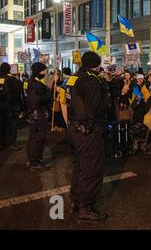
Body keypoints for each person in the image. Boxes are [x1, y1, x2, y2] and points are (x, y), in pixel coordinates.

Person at [66, 51, 109, 221]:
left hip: (73, 128)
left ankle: (76, 200)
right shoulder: (92, 80)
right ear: (96, 64)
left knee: (79, 166)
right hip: (88, 130)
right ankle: (86, 207)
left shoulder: (74, 78)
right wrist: (106, 95)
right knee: (92, 168)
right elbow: (96, 107)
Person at [26, 62, 52, 170]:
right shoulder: (35, 84)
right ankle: (35, 162)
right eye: (43, 71)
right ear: (38, 71)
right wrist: (49, 90)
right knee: (38, 138)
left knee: (34, 138)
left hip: (37, 114)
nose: (45, 73)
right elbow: (37, 100)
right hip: (38, 114)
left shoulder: (33, 82)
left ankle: (34, 159)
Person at [0, 63, 24, 150]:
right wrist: (22, 107)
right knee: (12, 126)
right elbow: (18, 93)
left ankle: (3, 143)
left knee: (1, 124)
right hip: (11, 106)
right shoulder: (12, 80)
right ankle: (11, 143)